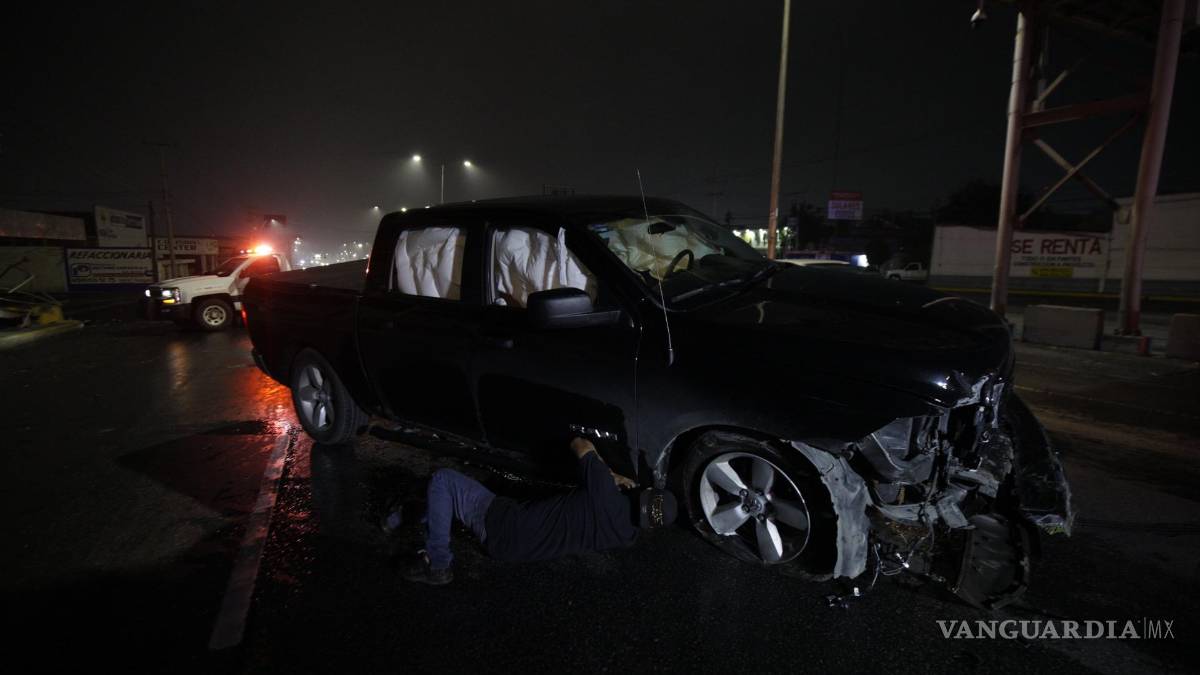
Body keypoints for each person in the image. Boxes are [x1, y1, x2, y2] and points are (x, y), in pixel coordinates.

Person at [393, 437, 676, 585]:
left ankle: (438, 563)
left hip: (502, 523)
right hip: (515, 550)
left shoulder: (605, 493)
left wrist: (615, 476)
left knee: (443, 479)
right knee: (453, 496)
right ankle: (406, 514)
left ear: (642, 491)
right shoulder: (627, 535)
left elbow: (581, 444)